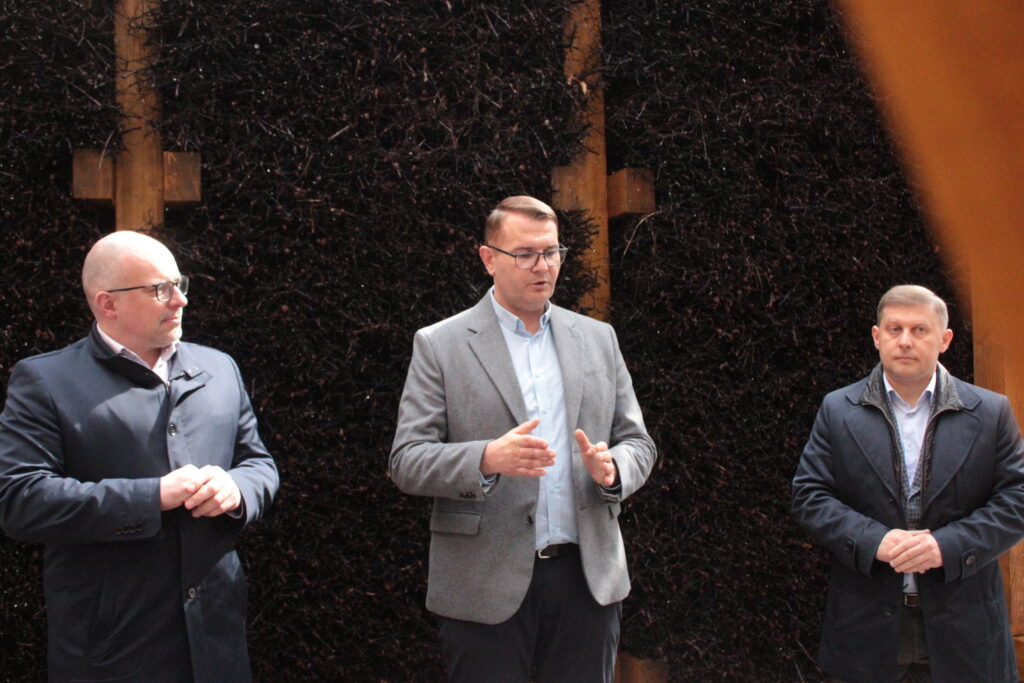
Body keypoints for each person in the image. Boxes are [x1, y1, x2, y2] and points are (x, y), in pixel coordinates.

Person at [389, 195, 656, 682]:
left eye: (552, 252)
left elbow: (639, 443)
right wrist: (486, 458)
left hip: (587, 580)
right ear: (488, 258)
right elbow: (407, 461)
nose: (543, 266)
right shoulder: (440, 344)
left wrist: (614, 470)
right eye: (526, 254)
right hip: (482, 582)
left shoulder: (598, 338)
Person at [0, 231, 279, 683]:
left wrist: (238, 490)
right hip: (111, 650)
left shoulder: (219, 368)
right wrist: (152, 497)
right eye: (159, 289)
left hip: (217, 644)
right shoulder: (46, 381)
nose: (180, 300)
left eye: (179, 284)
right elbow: (20, 499)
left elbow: (259, 464)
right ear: (107, 303)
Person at [792, 284, 1024, 682]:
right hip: (866, 627)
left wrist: (946, 546)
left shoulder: (990, 412)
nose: (905, 341)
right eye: (894, 329)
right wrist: (873, 540)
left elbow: (1017, 499)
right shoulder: (838, 409)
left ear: (944, 339)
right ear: (876, 336)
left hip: (966, 628)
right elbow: (810, 496)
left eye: (919, 330)